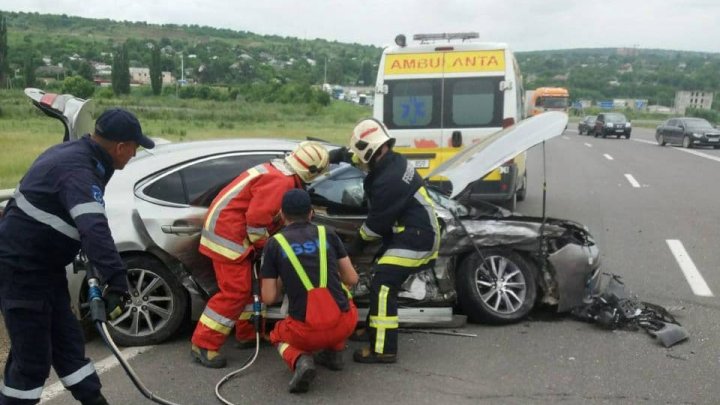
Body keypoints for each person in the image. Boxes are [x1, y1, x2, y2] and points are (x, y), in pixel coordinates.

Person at [0, 108, 154, 405]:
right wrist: (118, 282)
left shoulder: (77, 156)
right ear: (121, 146)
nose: (134, 155)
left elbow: (72, 225)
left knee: (69, 347)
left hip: (46, 270)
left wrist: (96, 267)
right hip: (21, 272)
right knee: (31, 361)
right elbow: (94, 228)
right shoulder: (80, 172)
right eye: (134, 148)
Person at [191, 141, 330, 368]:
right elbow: (256, 223)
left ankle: (248, 335)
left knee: (249, 288)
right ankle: (203, 344)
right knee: (235, 292)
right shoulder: (281, 182)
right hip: (229, 238)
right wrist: (268, 246)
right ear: (309, 172)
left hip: (231, 234)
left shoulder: (278, 170)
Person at [346, 118, 440, 364]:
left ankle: (384, 348)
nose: (360, 164)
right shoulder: (393, 161)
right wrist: (338, 156)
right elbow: (365, 161)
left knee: (384, 284)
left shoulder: (389, 181)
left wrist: (353, 247)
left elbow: (375, 227)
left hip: (417, 237)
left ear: (372, 152)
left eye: (361, 157)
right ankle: (372, 329)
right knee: (382, 276)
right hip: (412, 232)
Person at [261, 189, 358, 393]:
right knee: (342, 300)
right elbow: (352, 278)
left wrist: (282, 275)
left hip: (305, 334)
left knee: (277, 335)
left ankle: (300, 360)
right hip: (345, 323)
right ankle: (335, 353)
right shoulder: (327, 233)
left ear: (282, 214)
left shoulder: (274, 244)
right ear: (311, 213)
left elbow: (269, 297)